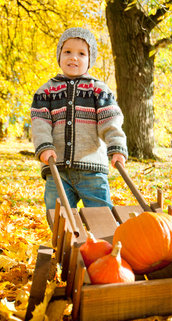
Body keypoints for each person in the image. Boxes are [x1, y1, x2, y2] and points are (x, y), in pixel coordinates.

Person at [31, 27, 128, 210]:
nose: (73, 57)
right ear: (59, 55)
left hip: (92, 169)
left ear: (89, 60)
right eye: (67, 51)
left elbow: (111, 121)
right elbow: (40, 123)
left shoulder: (98, 90)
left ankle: (104, 238)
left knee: (101, 213)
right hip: (56, 168)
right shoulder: (45, 92)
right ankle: (67, 239)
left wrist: (117, 147)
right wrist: (44, 146)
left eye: (81, 53)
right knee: (57, 212)